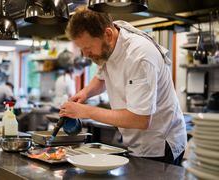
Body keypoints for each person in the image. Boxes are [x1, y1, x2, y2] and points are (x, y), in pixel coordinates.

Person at [59, 7, 187, 166]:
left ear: (108, 34)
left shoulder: (140, 56)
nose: (85, 55)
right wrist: (84, 94)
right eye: (82, 49)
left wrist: (86, 111)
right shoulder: (111, 41)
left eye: (88, 48)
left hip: (160, 144)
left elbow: (140, 119)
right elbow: (102, 76)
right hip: (136, 142)